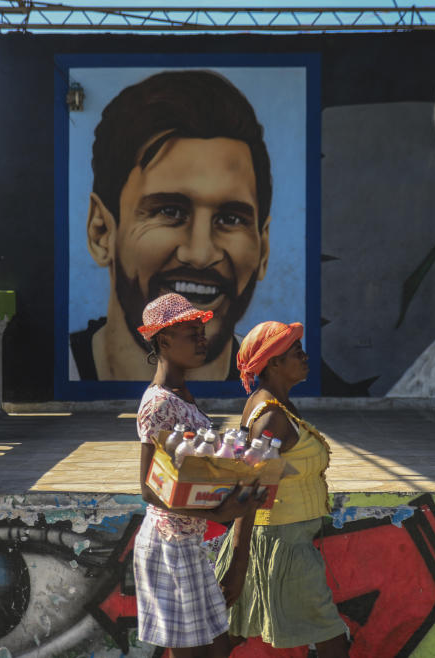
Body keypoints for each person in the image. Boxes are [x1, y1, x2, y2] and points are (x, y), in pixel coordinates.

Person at [70, 70, 273, 382]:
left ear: (263, 249)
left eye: (230, 219)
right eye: (169, 211)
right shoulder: (56, 370)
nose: (200, 254)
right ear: (101, 232)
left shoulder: (271, 381)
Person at [134, 293, 264, 657]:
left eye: (202, 331)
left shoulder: (181, 395)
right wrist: (218, 514)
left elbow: (185, 474)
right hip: (168, 544)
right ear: (164, 340)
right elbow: (148, 487)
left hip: (183, 543)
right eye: (193, 333)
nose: (203, 339)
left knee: (214, 650)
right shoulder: (160, 403)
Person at [214, 321, 349, 656]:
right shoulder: (271, 419)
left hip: (274, 541)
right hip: (281, 545)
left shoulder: (274, 406)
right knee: (331, 636)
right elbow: (251, 486)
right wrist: (239, 565)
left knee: (226, 636)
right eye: (297, 354)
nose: (305, 359)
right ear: (273, 363)